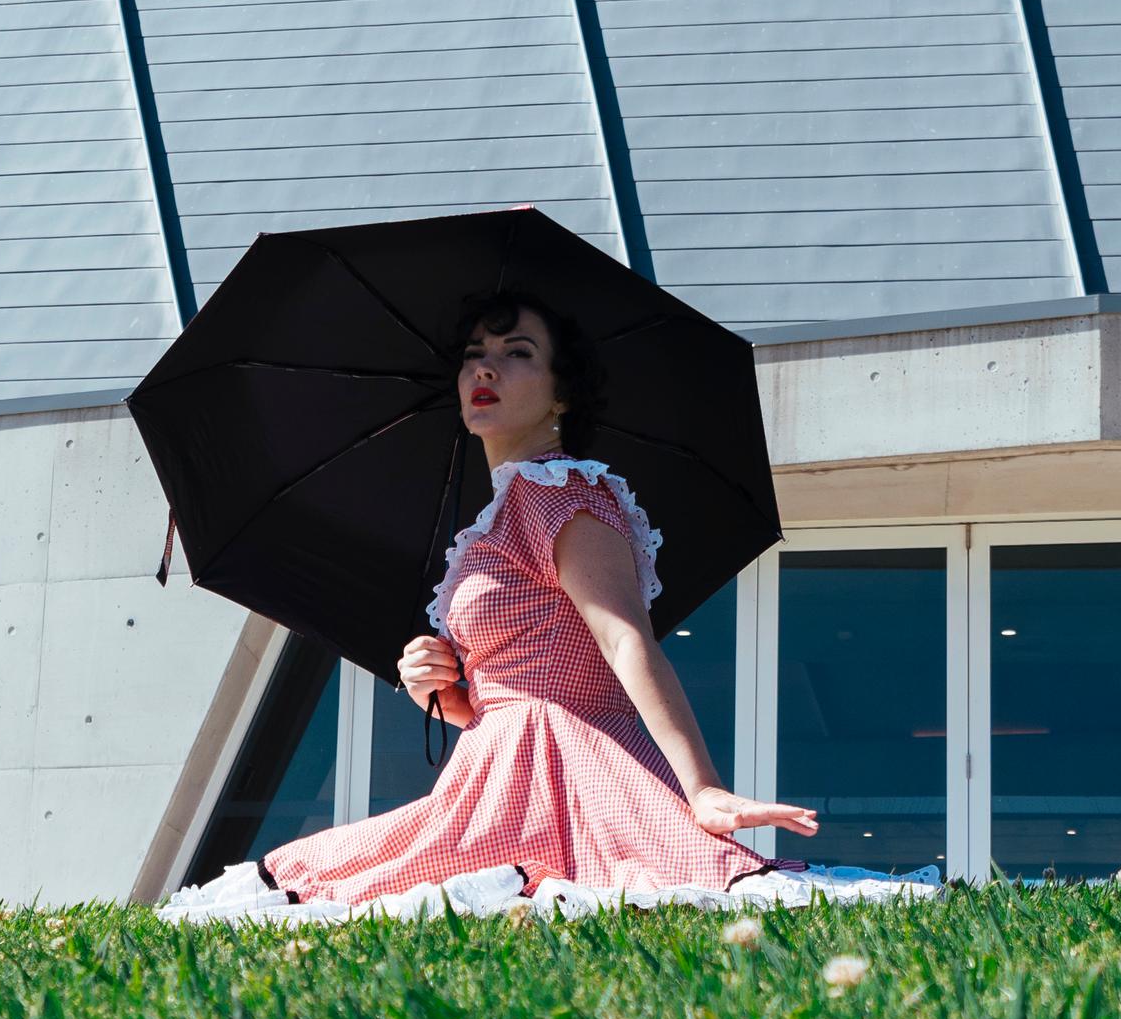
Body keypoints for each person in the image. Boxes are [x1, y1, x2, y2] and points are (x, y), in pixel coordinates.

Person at [175, 295, 812, 919]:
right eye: (475, 354)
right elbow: (511, 685)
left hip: (570, 770)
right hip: (500, 774)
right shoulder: (504, 511)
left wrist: (701, 789)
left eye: (517, 353)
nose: (485, 368)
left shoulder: (559, 491)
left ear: (562, 392)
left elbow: (624, 640)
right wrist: (444, 686)